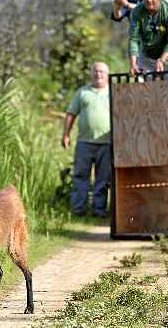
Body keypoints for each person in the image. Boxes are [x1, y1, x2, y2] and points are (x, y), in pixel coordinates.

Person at [128, 0, 168, 140]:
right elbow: (133, 39)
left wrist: (162, 59)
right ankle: (148, 127)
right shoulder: (137, 12)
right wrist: (133, 64)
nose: (149, 1)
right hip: (147, 55)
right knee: (143, 91)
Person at [61, 62, 111, 218]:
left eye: (102, 72)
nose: (98, 74)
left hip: (107, 143)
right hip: (84, 143)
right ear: (91, 73)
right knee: (81, 176)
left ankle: (99, 211)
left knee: (102, 179)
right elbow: (71, 114)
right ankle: (78, 211)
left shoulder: (113, 92)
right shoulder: (82, 92)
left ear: (107, 75)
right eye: (96, 71)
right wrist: (66, 135)